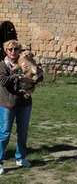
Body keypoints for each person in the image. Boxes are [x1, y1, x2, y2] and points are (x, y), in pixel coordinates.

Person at [0, 40, 43, 174]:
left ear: (19, 50)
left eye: (16, 49)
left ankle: (20, 157)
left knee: (22, 132)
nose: (13, 52)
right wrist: (18, 74)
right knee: (5, 133)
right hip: (8, 103)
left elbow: (39, 75)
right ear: (6, 51)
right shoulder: (2, 65)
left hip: (24, 103)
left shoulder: (26, 61)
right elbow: (3, 81)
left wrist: (38, 75)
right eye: (10, 49)